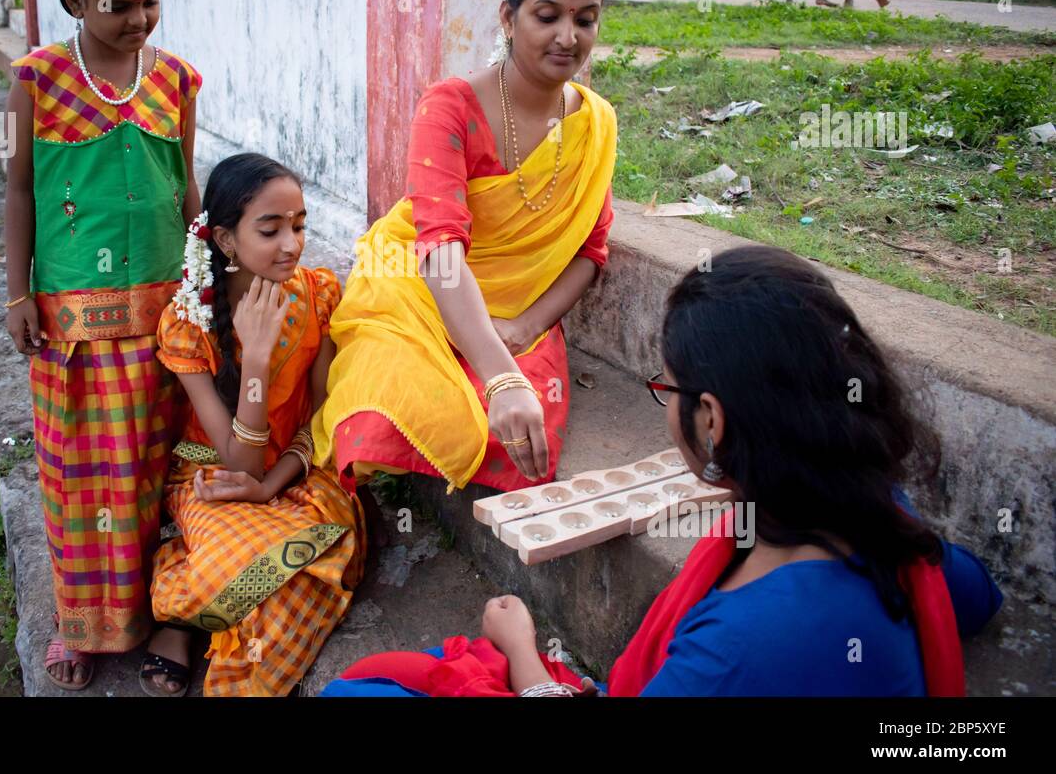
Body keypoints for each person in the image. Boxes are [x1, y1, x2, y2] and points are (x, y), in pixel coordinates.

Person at [321, 246, 1003, 696]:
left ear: (713, 418)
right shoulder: (883, 521)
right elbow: (976, 596)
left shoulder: (736, 648)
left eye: (665, 388)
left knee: (364, 691)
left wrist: (526, 658)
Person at [312, 0, 617, 498]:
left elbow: (590, 251)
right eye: (546, 16)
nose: (568, 37)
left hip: (517, 316)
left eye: (586, 19)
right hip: (418, 292)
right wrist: (501, 374)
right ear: (508, 16)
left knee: (522, 438)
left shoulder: (595, 123)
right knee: (378, 414)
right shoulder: (450, 107)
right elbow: (440, 249)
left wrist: (524, 329)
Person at [3, 0, 201, 690]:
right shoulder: (36, 81)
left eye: (152, 0)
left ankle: (165, 616)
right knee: (78, 477)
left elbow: (184, 189)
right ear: (79, 0)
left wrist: (209, 277)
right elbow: (20, 190)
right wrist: (16, 291)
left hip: (163, 324)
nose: (140, 18)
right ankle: (79, 624)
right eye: (122, 3)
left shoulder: (178, 80)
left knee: (160, 474)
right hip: (72, 328)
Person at [140, 153, 365, 697]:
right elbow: (238, 463)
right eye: (270, 229)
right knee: (232, 567)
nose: (291, 244)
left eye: (299, 225)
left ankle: (191, 621)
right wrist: (257, 358)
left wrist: (274, 482)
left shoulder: (319, 295)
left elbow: (317, 420)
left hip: (300, 473)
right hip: (216, 480)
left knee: (295, 580)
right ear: (225, 240)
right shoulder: (187, 321)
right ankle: (186, 602)